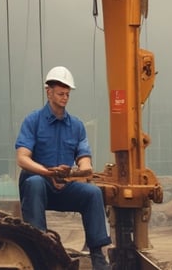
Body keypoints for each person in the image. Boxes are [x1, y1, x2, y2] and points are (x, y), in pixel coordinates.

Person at [15, 66, 112, 270]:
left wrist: (76, 173)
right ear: (48, 92)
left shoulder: (76, 126)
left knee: (93, 193)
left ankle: (99, 258)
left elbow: (85, 161)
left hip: (65, 184)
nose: (65, 97)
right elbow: (22, 158)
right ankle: (39, 249)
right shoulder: (33, 121)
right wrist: (47, 172)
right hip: (39, 185)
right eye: (60, 93)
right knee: (33, 182)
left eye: (68, 94)